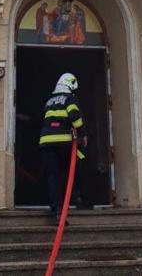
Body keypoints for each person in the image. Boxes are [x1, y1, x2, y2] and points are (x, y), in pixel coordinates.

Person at [38, 72, 92, 222]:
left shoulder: (49, 100)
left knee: (53, 177)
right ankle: (80, 200)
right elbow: (75, 116)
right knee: (73, 171)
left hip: (46, 143)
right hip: (64, 143)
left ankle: (56, 211)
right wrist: (82, 135)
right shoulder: (70, 98)